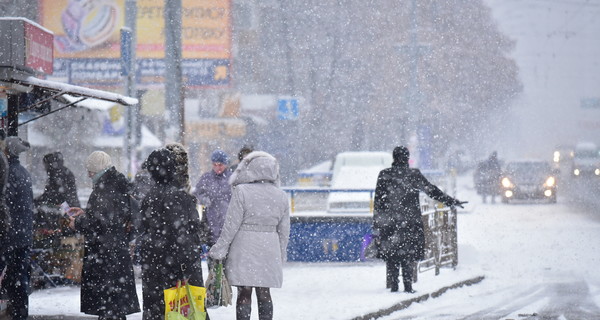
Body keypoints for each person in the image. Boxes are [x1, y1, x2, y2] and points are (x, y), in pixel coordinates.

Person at [209, 151, 290, 320]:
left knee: (244, 292)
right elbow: (284, 231)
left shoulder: (242, 191)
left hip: (244, 246)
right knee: (264, 292)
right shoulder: (281, 196)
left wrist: (220, 249)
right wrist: (281, 253)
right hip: (270, 246)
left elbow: (231, 225)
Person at [373, 146, 465, 293]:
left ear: (394, 157)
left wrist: (378, 222)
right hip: (410, 221)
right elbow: (431, 190)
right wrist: (450, 201)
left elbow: (378, 200)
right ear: (407, 158)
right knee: (408, 253)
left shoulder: (384, 175)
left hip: (390, 221)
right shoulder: (413, 175)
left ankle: (394, 285)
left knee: (392, 253)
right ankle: (408, 286)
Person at [67, 151, 140, 320]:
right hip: (115, 254)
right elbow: (109, 217)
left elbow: (100, 222)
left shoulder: (105, 189)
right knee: (115, 308)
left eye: (91, 171)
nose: (89, 175)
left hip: (105, 256)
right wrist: (87, 213)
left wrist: (77, 223)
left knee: (109, 308)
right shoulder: (115, 184)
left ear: (98, 170)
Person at [138, 148, 206, 320]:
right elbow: (191, 232)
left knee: (157, 311)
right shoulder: (181, 197)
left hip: (154, 267)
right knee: (185, 314)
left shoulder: (149, 198)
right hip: (179, 269)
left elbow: (145, 230)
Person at [0, 136, 33, 320]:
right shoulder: (24, 173)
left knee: (12, 279)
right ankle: (21, 315)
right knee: (20, 280)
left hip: (9, 235)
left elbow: (5, 204)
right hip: (23, 236)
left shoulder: (8, 173)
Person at [193, 149, 232, 267]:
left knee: (228, 264)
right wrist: (205, 200)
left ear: (226, 164)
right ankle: (214, 282)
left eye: (220, 164)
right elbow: (197, 193)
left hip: (228, 223)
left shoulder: (232, 179)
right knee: (213, 262)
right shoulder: (206, 178)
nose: (217, 167)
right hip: (211, 222)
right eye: (214, 164)